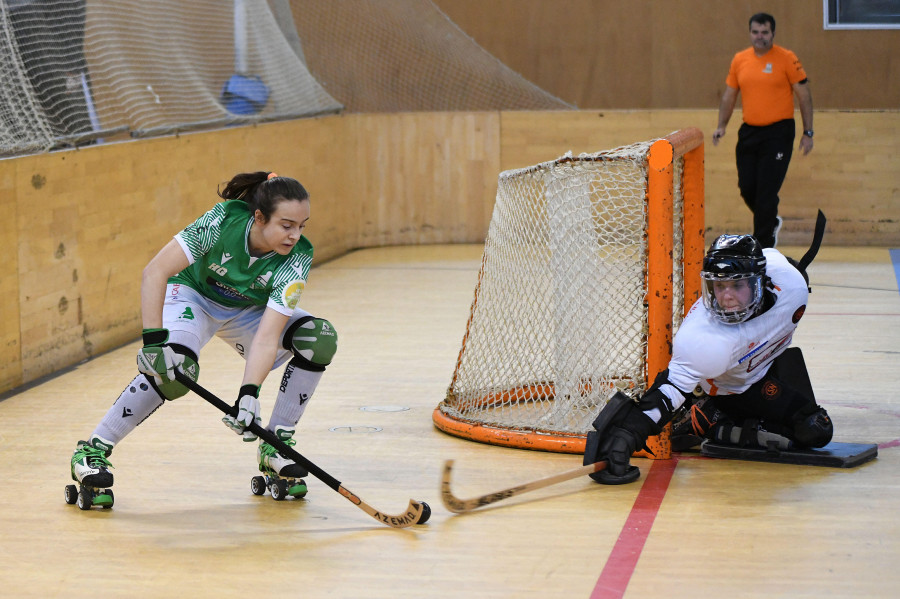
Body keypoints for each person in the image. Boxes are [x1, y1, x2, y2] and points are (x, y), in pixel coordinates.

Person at [69, 171, 337, 501]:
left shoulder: (297, 258)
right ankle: (93, 450)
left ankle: (276, 443)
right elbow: (155, 272)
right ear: (259, 217)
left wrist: (249, 394)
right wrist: (153, 345)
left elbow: (268, 336)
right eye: (286, 225)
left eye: (302, 226)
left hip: (247, 311)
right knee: (175, 370)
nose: (295, 235)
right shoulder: (221, 221)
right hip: (193, 296)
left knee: (318, 338)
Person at [583, 232, 833, 484]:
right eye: (719, 286)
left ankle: (716, 419)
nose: (726, 297)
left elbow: (775, 259)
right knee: (815, 430)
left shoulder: (793, 288)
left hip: (765, 363)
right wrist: (628, 432)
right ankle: (709, 416)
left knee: (814, 426)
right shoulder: (705, 338)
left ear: (759, 282)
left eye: (737, 285)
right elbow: (669, 390)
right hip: (735, 390)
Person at [712, 12, 814, 249]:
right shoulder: (740, 60)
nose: (760, 37)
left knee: (767, 191)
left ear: (773, 34)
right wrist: (721, 126)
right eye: (755, 32)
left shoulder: (786, 58)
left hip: (778, 133)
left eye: (765, 32)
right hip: (750, 132)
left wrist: (808, 133)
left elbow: (804, 95)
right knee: (748, 187)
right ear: (750, 33)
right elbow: (729, 95)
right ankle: (770, 222)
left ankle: (763, 247)